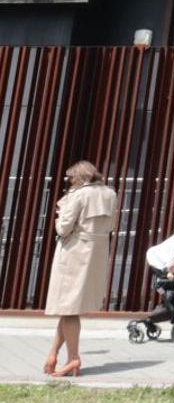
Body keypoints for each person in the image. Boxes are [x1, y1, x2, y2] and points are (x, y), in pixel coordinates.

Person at [43, 160, 118, 377]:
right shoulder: (109, 194)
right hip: (97, 252)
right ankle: (53, 354)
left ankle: (73, 359)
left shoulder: (78, 195)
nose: (70, 181)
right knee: (70, 307)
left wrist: (60, 214)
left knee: (68, 307)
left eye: (71, 177)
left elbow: (63, 228)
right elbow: (111, 225)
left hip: (75, 252)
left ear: (80, 176)